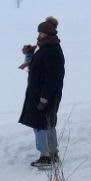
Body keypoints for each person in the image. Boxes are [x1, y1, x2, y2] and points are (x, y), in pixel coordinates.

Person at [19, 16, 65, 167]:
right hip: (39, 94)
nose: (38, 35)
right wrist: (30, 54)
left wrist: (44, 98)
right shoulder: (45, 47)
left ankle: (46, 156)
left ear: (48, 33)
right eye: (39, 32)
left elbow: (53, 78)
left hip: (44, 96)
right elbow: (37, 68)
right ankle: (53, 153)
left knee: (40, 124)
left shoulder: (52, 51)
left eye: (41, 33)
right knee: (48, 123)